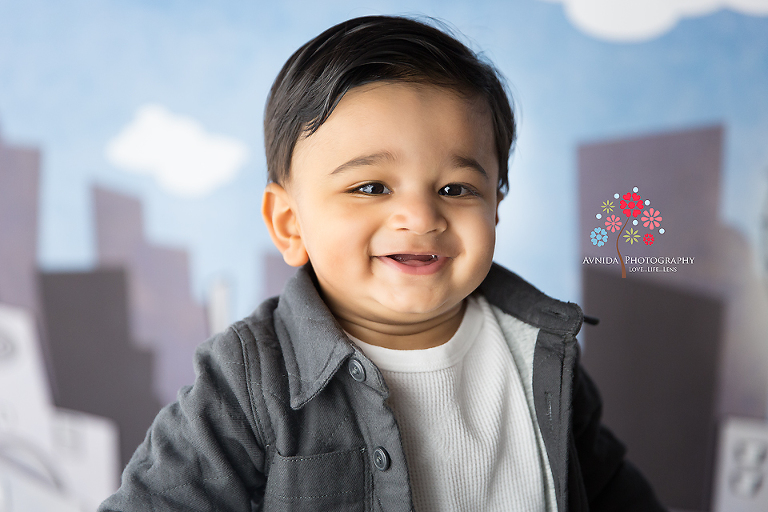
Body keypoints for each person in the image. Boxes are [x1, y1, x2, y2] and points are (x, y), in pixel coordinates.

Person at [100, 15, 667, 512]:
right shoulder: (246, 382)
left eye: (456, 188)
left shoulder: (542, 352)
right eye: (371, 186)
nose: (420, 216)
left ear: (497, 204)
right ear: (289, 223)